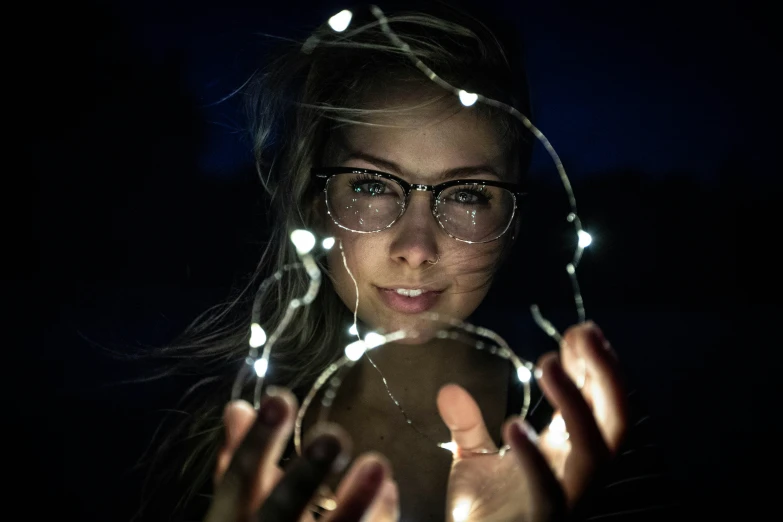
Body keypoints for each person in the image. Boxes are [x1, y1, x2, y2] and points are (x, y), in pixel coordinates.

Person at [145, 5, 674, 522]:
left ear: (511, 222)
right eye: (372, 185)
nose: (416, 247)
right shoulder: (230, 436)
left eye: (468, 193)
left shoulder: (581, 429)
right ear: (315, 208)